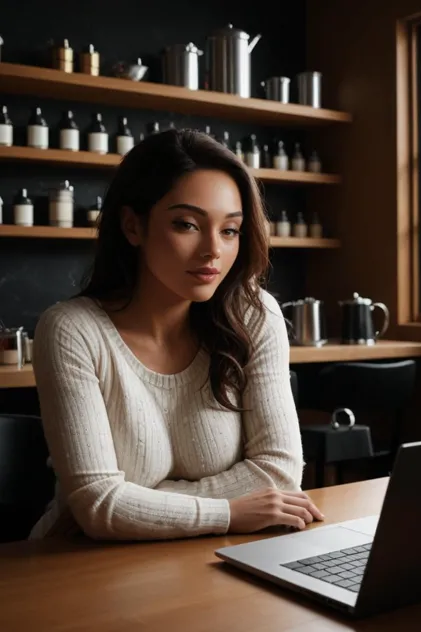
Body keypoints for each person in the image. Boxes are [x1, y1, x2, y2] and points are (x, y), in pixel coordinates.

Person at [30, 129, 324, 541]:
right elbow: (99, 505)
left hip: (203, 561)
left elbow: (278, 471)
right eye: (187, 224)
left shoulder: (254, 316)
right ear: (133, 226)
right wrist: (229, 513)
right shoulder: (71, 330)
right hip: (76, 566)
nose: (212, 251)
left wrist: (139, 504)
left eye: (230, 230)